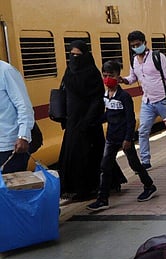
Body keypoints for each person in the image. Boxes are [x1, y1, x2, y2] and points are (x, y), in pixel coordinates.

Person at [87, 61, 157, 211]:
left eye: (111, 75)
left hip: (124, 138)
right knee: (105, 167)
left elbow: (130, 119)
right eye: (105, 75)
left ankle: (149, 186)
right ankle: (102, 199)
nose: (107, 79)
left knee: (134, 164)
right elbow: (109, 115)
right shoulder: (106, 96)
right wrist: (93, 122)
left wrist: (128, 138)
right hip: (111, 137)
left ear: (119, 77)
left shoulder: (124, 96)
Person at [120, 30, 166, 167]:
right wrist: (123, 80)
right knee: (143, 130)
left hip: (164, 100)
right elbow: (132, 78)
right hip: (147, 102)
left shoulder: (158, 57)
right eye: (133, 45)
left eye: (138, 44)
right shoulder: (134, 61)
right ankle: (145, 161)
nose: (136, 47)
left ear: (145, 42)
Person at [58, 40, 106, 201]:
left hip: (88, 122)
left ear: (85, 56)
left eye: (78, 55)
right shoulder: (69, 72)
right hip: (72, 119)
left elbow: (97, 98)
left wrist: (89, 119)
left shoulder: (92, 73)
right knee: (72, 154)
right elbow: (65, 92)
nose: (74, 58)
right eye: (72, 55)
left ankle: (89, 188)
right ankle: (73, 188)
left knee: (89, 155)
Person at [0, 61, 35, 174]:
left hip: (9, 146)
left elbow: (24, 105)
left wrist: (23, 136)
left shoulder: (6, 71)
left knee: (10, 189)